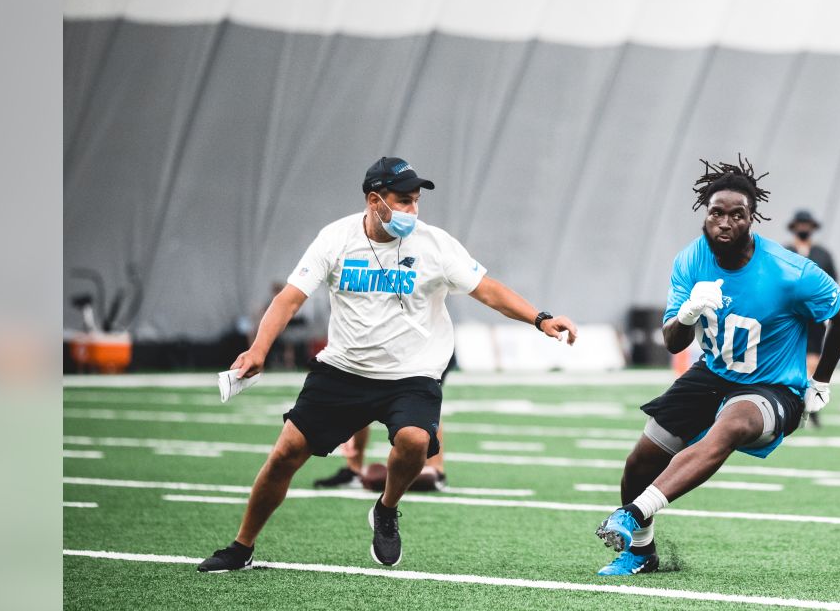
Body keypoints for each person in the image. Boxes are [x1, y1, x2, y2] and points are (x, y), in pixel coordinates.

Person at [197, 156, 578, 572]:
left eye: (416, 202)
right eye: (403, 201)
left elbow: (487, 290)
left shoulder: (434, 244)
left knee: (415, 441)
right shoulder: (335, 239)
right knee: (285, 454)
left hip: (411, 375)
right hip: (343, 371)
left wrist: (540, 319)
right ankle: (241, 546)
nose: (412, 211)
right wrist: (258, 350)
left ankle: (386, 508)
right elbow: (289, 299)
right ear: (375, 200)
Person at [593, 157, 840, 576]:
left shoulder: (790, 271)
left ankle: (633, 513)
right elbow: (671, 340)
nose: (725, 222)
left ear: (752, 220)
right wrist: (689, 312)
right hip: (714, 372)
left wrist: (821, 379)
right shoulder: (690, 261)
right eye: (717, 212)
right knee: (640, 461)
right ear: (705, 214)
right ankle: (642, 553)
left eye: (738, 215)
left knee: (731, 425)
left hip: (772, 385)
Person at [314, 353, 456, 492]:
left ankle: (435, 469)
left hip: (424, 347)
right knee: (360, 386)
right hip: (384, 343)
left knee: (423, 397)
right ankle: (354, 469)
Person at [784, 209, 839, 425]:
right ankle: (790, 401)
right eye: (800, 224)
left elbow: (834, 284)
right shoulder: (785, 251)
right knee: (789, 357)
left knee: (813, 359)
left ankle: (812, 401)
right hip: (790, 316)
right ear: (794, 226)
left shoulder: (823, 254)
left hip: (814, 315)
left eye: (807, 224)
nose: (804, 228)